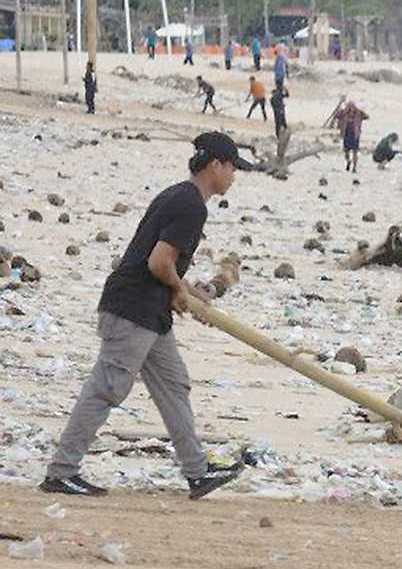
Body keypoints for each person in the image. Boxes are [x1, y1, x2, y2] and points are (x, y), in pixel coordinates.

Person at [41, 132, 254, 500]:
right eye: (233, 167)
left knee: (174, 386)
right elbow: (158, 263)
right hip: (133, 309)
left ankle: (197, 471)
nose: (234, 176)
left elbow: (160, 259)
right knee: (107, 388)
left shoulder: (178, 195)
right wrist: (177, 289)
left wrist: (186, 290)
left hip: (149, 312)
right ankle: (62, 472)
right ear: (215, 165)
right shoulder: (191, 205)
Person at [334, 101, 368, 172]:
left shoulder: (358, 114)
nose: (351, 109)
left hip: (355, 135)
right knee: (346, 152)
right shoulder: (344, 114)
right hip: (346, 135)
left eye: (352, 107)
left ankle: (354, 167)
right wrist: (342, 111)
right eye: (349, 107)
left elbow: (367, 117)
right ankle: (348, 161)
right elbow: (336, 116)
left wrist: (360, 111)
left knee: (355, 152)